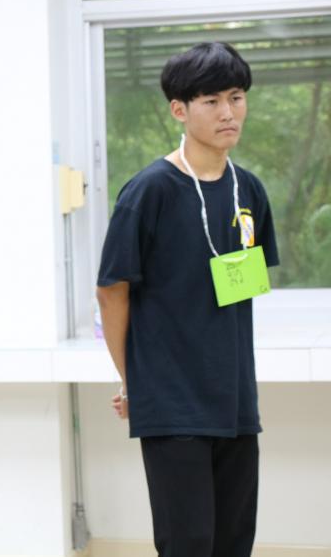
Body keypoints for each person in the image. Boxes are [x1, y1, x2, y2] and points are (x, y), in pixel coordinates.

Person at [96, 42, 279, 556]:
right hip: (173, 402)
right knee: (188, 543)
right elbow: (111, 291)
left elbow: (243, 287)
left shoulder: (249, 190)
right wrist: (133, 380)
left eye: (236, 97)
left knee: (233, 541)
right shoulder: (149, 190)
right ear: (179, 109)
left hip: (235, 401)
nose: (228, 112)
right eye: (211, 101)